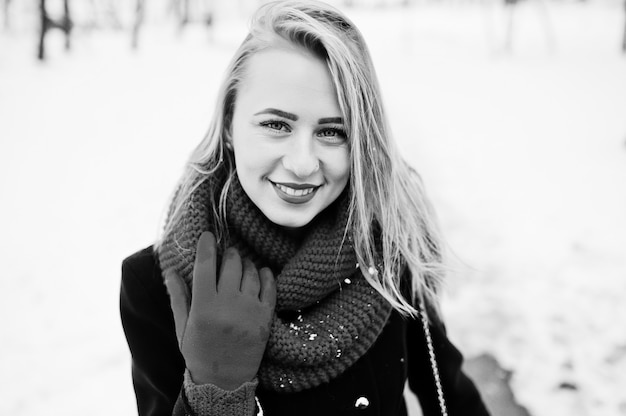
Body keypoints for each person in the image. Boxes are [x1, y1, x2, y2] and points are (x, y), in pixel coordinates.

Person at [120, 1, 490, 415]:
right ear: (228, 125)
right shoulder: (156, 284)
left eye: (333, 132)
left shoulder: (388, 242)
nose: (302, 163)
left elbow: (449, 391)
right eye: (276, 125)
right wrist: (214, 394)